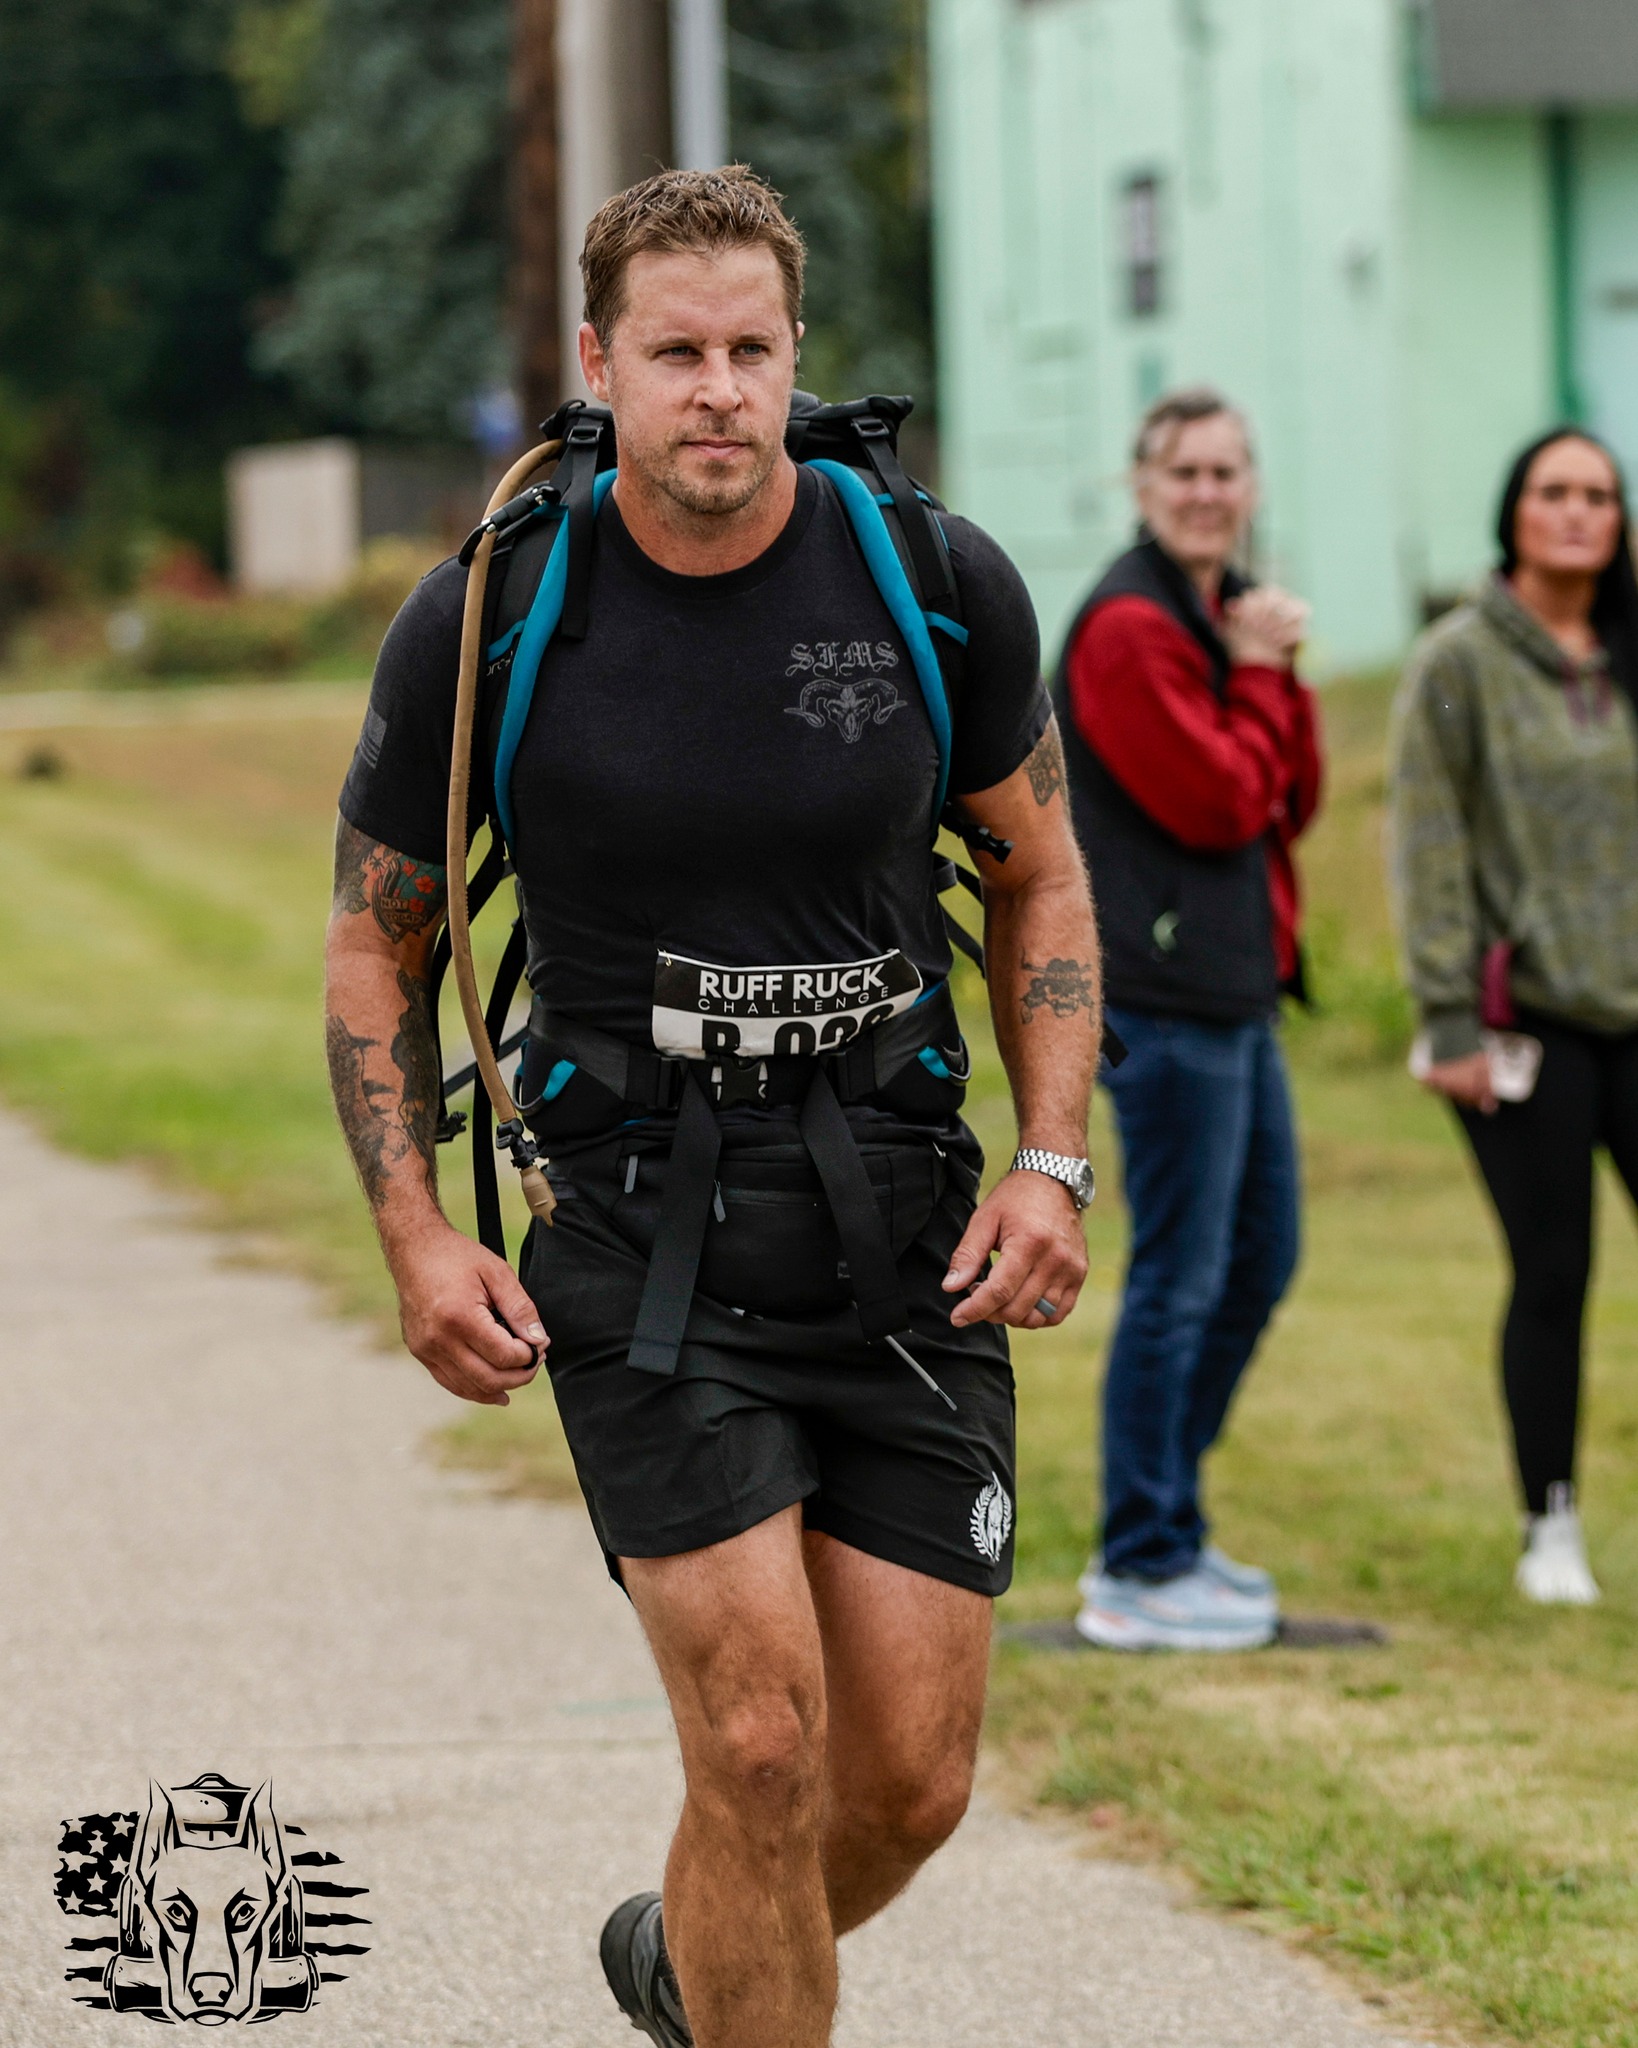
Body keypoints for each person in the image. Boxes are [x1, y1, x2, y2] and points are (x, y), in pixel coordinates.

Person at [324, 167, 1101, 2048]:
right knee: (757, 1741)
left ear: (794, 351)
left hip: (900, 1226)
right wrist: (416, 1232)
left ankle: (694, 1965)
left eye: (753, 348)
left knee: (903, 1783)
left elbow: (1042, 878)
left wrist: (1051, 1160)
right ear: (598, 365)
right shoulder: (494, 613)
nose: (721, 391)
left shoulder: (928, 578)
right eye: (676, 353)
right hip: (634, 1230)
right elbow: (376, 941)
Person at [1057, 387, 1322, 1652]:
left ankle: (1169, 1515)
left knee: (1260, 1258)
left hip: (1235, 990)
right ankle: (1139, 1559)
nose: (1209, 492)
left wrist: (1273, 678)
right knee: (1179, 1276)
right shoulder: (1129, 627)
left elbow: (1289, 797)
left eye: (1227, 470)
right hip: (1165, 999)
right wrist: (1261, 678)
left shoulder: (1226, 615)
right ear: (1142, 484)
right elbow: (1217, 801)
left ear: (1250, 485)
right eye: (1185, 471)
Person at [1388, 426, 1638, 1607]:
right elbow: (1430, 842)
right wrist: (1448, 1020)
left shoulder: (1630, 650)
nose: (1579, 511)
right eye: (1555, 491)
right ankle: (1551, 1523)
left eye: (1599, 494)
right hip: (1525, 1021)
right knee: (1554, 1270)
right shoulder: (1459, 662)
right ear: (1515, 513)